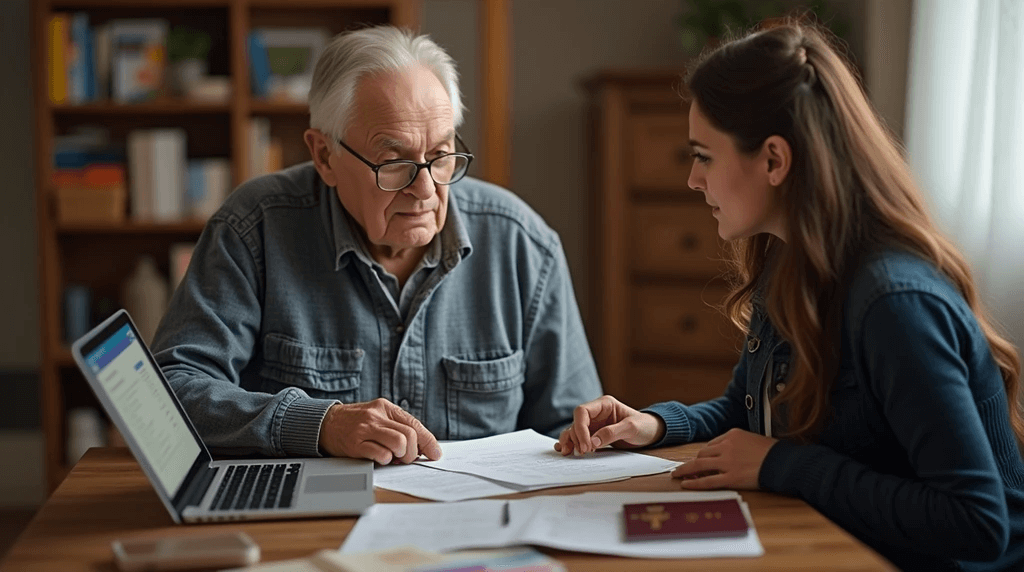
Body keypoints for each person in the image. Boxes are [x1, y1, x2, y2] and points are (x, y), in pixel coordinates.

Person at [556, 22, 1024, 572]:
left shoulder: (894, 305)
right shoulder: (790, 258)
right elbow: (749, 411)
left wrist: (784, 465)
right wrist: (655, 426)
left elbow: (976, 522)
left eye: (704, 155)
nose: (691, 180)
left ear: (775, 161)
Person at [152, 25, 601, 467]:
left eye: (441, 157)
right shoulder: (254, 229)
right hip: (312, 526)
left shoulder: (522, 243)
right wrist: (319, 424)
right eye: (394, 163)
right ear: (324, 156)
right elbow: (170, 391)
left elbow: (571, 427)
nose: (425, 189)